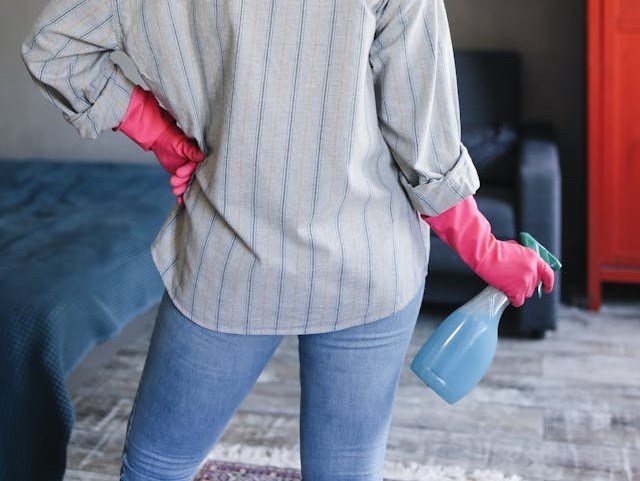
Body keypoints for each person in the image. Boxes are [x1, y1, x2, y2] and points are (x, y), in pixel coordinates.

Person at [22, 1, 555, 480]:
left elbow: (55, 48)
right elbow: (425, 145)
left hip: (230, 260)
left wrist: (167, 142)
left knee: (157, 468)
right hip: (369, 260)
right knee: (347, 468)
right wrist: (486, 253)